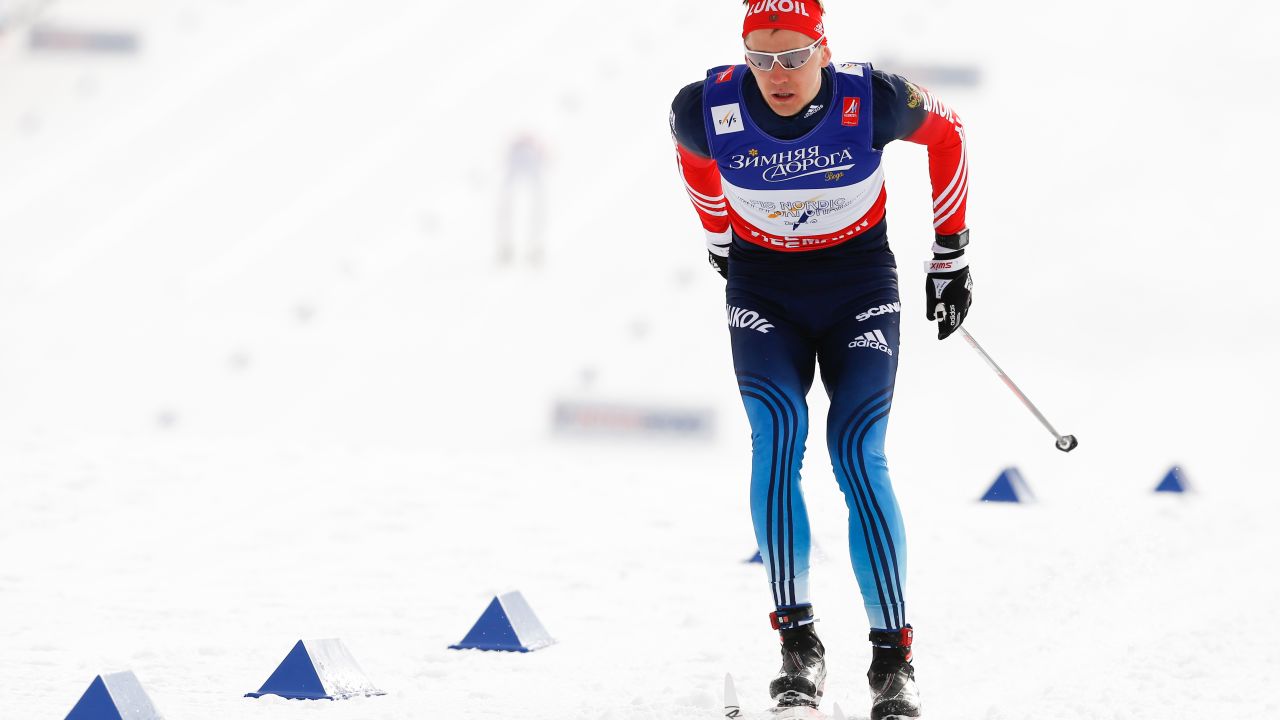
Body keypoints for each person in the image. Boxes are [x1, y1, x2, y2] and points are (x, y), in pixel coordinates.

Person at [668, 2, 971, 717]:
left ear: (823, 50)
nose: (779, 74)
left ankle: (892, 660)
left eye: (796, 56)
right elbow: (695, 166)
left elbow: (949, 134)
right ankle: (798, 649)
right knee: (776, 437)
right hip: (764, 290)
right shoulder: (703, 109)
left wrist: (951, 254)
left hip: (858, 289)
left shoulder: (875, 99)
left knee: (857, 448)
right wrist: (718, 239)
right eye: (763, 59)